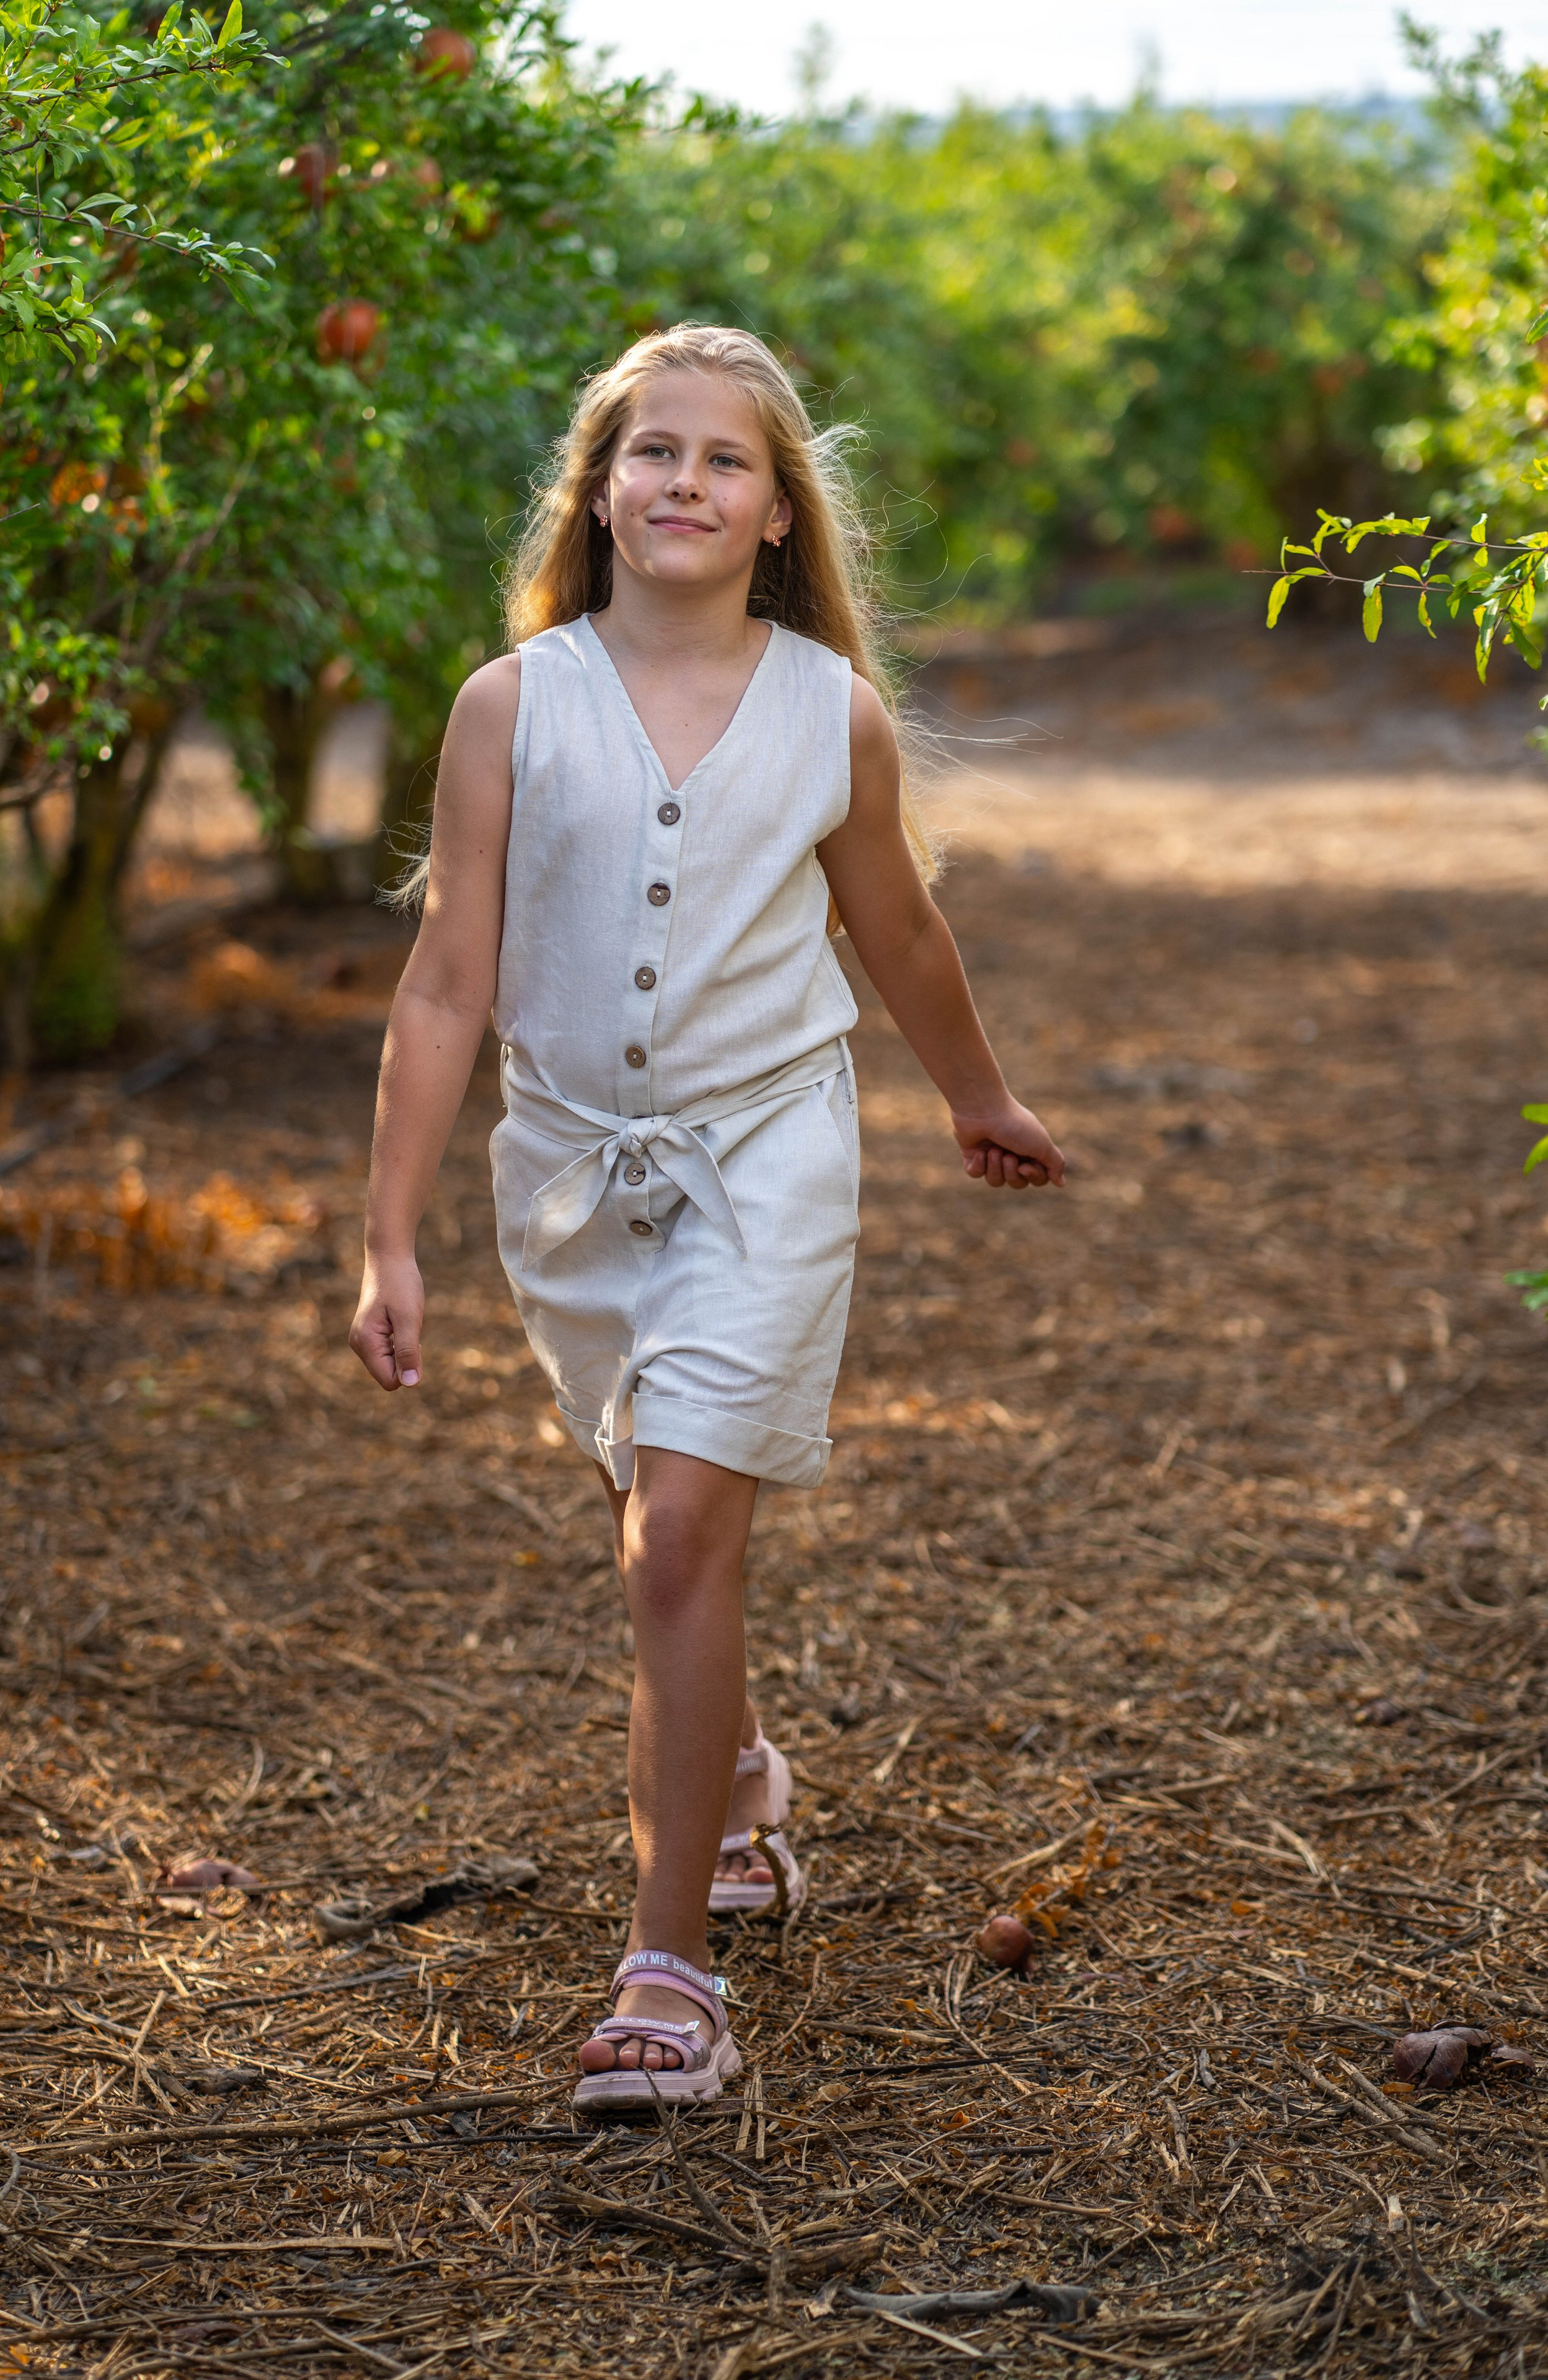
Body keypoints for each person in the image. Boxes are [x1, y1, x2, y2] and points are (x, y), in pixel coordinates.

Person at [348, 324, 1065, 2113]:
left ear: (774, 513)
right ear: (598, 494)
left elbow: (892, 928)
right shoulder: (512, 705)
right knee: (650, 1506)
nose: (682, 479)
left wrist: (975, 1093)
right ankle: (736, 1774)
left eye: (722, 459)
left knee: (673, 1537)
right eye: (649, 450)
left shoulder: (835, 714)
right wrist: (391, 1236)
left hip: (770, 1156)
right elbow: (449, 981)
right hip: (573, 1174)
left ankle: (671, 1978)